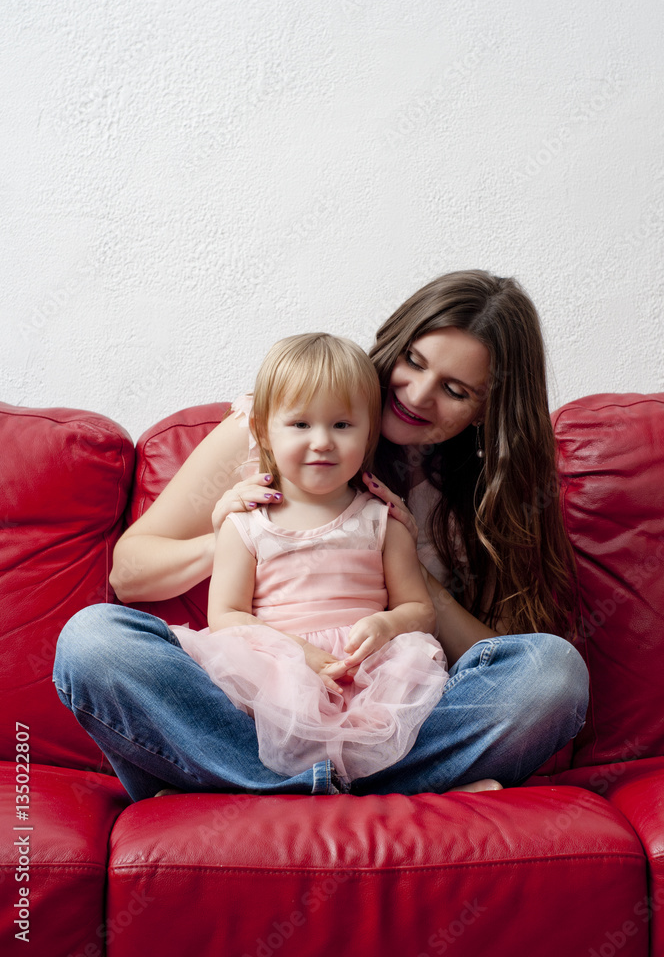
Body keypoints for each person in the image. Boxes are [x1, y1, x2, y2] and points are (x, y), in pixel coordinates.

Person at [53, 269, 589, 801]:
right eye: (414, 362)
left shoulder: (478, 493)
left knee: (553, 672)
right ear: (393, 344)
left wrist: (401, 570)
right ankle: (372, 788)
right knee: (93, 640)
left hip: (385, 714)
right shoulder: (268, 431)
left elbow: (492, 657)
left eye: (454, 390)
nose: (419, 394)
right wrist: (240, 536)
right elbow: (129, 572)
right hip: (260, 710)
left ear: (485, 411)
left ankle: (256, 787)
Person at [171, 333, 447, 783]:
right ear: (262, 431)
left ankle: (307, 780)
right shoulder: (246, 523)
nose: (322, 442)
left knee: (535, 667)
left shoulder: (383, 520)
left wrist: (385, 626)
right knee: (106, 641)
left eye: (342, 426)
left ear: (369, 433)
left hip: (371, 674)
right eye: (300, 425)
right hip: (275, 674)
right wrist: (297, 654)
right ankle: (381, 779)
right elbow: (226, 615)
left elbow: (420, 611)